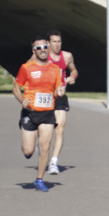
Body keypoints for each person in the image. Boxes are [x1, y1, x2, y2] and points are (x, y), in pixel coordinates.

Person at [13, 37, 65, 192]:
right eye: (39, 47)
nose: (43, 49)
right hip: (30, 112)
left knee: (45, 147)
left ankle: (39, 179)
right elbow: (15, 87)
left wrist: (59, 91)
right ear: (34, 51)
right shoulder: (26, 68)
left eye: (45, 46)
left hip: (48, 113)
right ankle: (28, 143)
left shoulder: (55, 69)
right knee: (28, 151)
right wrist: (22, 100)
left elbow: (57, 89)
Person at [34, 31, 77, 175]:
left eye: (59, 41)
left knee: (59, 129)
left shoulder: (67, 56)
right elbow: (28, 69)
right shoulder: (40, 55)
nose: (57, 44)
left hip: (60, 96)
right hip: (44, 97)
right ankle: (42, 147)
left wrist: (72, 77)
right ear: (48, 43)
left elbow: (74, 70)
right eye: (54, 42)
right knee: (44, 131)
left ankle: (54, 162)